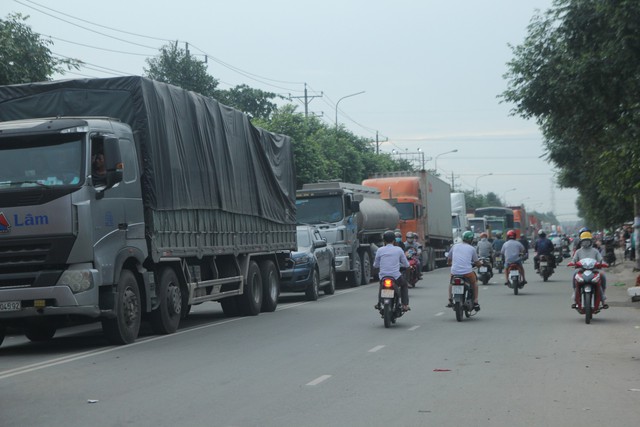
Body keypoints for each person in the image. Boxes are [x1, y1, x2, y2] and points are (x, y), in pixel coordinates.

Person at [374, 230, 411, 312]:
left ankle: (379, 302)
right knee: (404, 285)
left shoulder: (380, 250)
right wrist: (407, 267)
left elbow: (375, 265)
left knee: (381, 285)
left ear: (384, 240)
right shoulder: (398, 250)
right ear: (394, 240)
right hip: (396, 276)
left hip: (383, 276)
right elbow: (406, 264)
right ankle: (405, 305)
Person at [572, 231, 608, 309]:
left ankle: (603, 299)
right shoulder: (578, 251)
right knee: (574, 274)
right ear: (581, 241)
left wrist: (603, 263)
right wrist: (573, 263)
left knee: (602, 275)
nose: (586, 242)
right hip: (581, 270)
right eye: (584, 241)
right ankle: (575, 296)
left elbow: (600, 259)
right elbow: (574, 260)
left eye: (587, 240)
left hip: (594, 270)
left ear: (590, 241)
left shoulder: (595, 251)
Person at [447, 230, 482, 311]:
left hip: (454, 272)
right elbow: (477, 262)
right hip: (467, 272)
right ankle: (476, 300)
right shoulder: (472, 249)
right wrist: (480, 265)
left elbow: (449, 259)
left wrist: (450, 263)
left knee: (451, 283)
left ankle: (449, 299)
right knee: (474, 283)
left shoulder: (455, 246)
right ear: (471, 239)